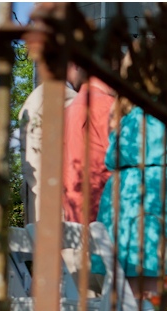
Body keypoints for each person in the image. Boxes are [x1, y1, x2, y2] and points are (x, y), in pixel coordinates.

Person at [96, 98, 167, 296]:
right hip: (163, 197)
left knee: (126, 288)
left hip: (123, 201)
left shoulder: (126, 121)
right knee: (158, 287)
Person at [20, 62, 81, 224]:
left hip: (36, 199)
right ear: (73, 65)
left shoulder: (36, 97)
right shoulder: (67, 97)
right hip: (58, 205)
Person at [62, 75, 116, 224]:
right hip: (103, 213)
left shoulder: (70, 109)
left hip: (74, 212)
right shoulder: (105, 105)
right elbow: (125, 157)